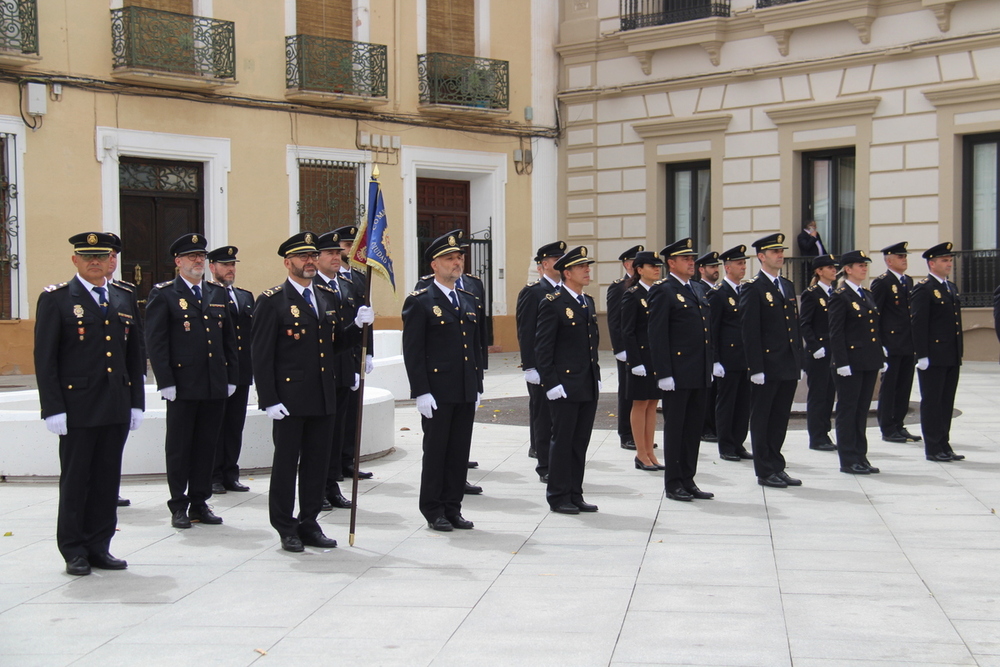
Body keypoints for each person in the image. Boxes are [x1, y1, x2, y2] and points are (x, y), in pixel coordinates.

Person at [252, 232, 372, 552]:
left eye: (311, 256)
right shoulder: (272, 300)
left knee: (317, 464)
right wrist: (269, 399)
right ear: (287, 262)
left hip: (323, 394)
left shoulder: (325, 295)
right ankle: (285, 526)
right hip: (290, 399)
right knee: (286, 465)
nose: (308, 261)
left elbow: (332, 346)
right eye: (301, 257)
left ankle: (309, 521)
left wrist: (357, 328)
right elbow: (261, 355)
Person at [34, 232, 145, 576]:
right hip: (78, 407)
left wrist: (136, 402)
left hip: (114, 405)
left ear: (111, 259)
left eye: (101, 256)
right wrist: (53, 407)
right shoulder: (56, 299)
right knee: (76, 480)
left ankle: (99, 545)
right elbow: (45, 358)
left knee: (106, 480)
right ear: (75, 261)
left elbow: (133, 353)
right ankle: (73, 550)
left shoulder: (124, 296)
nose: (94, 262)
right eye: (87, 257)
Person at [145, 234, 238, 529]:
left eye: (201, 256)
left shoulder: (217, 292)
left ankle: (200, 501)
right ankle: (178, 504)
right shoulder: (164, 294)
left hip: (214, 383)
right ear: (178, 262)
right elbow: (156, 342)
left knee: (206, 445)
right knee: (180, 446)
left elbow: (229, 340)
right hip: (183, 385)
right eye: (191, 256)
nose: (198, 260)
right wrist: (165, 381)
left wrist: (231, 376)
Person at [402, 231, 484, 531]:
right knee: (436, 452)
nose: (456, 263)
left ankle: (453, 507)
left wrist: (477, 385)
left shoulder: (468, 298)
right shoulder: (421, 301)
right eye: (450, 259)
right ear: (434, 265)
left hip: (463, 388)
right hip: (437, 391)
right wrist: (421, 391)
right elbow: (413, 351)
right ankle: (433, 509)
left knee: (459, 451)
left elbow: (473, 347)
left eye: (459, 258)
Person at [535, 246, 601, 514]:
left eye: (587, 266)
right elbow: (543, 347)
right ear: (567, 272)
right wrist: (550, 384)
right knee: (562, 441)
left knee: (580, 442)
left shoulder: (587, 302)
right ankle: (559, 495)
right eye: (581, 266)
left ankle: (575, 492)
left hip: (585, 383)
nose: (587, 270)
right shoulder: (553, 302)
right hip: (563, 386)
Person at [648, 239, 714, 502]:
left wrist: (710, 365)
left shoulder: (697, 289)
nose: (691, 262)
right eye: (685, 259)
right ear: (671, 263)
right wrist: (663, 373)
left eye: (692, 258)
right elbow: (657, 334)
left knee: (693, 429)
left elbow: (706, 333)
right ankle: (674, 482)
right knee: (676, 429)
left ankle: (689, 478)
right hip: (677, 373)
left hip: (698, 371)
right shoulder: (663, 291)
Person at [741, 233, 804, 489]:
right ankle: (765, 470)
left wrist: (798, 360)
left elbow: (794, 327)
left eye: (781, 250)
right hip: (766, 366)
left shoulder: (786, 286)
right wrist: (755, 367)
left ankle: (777, 465)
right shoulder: (753, 287)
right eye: (774, 251)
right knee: (762, 418)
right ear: (761, 256)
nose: (780, 255)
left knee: (779, 419)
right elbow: (749, 331)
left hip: (787, 364)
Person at [313, 230, 360, 511]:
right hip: (322, 372)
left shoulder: (346, 284)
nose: (335, 257)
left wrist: (357, 364)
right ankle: (316, 489)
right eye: (329, 253)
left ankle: (332, 486)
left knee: (337, 432)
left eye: (336, 252)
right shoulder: (313, 287)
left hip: (344, 369)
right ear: (316, 258)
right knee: (320, 438)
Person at [829, 250, 885, 474]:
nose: (864, 268)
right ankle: (848, 458)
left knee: (862, 411)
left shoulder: (866, 294)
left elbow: (874, 330)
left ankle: (861, 456)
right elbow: (836, 332)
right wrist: (841, 362)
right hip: (849, 363)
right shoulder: (840, 295)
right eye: (859, 265)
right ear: (848, 269)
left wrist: (880, 356)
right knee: (848, 410)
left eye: (865, 265)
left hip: (868, 360)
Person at [515, 240, 566, 482]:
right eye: (556, 260)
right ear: (544, 264)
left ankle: (558, 460)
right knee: (543, 415)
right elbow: (526, 332)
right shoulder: (533, 292)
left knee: (561, 416)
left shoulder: (567, 290)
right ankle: (544, 464)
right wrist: (530, 366)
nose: (561, 263)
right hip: (541, 366)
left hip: (563, 366)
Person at [911, 242, 966, 462]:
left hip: (951, 354)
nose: (949, 264)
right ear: (931, 263)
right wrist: (921, 354)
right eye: (944, 261)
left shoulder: (950, 287)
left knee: (946, 401)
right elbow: (918, 323)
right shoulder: (923, 288)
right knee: (932, 401)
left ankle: (944, 443)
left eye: (950, 260)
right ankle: (933, 447)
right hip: (933, 355)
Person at [207, 245, 253, 494]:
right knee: (216, 425)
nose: (230, 269)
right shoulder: (208, 295)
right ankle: (213, 475)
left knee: (235, 425)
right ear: (212, 268)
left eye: (233, 265)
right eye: (225, 265)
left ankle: (230, 473)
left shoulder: (245, 296)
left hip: (241, 371)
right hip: (217, 372)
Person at [332, 225, 376, 482]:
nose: (347, 252)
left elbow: (367, 318)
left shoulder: (360, 278)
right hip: (337, 352)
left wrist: (368, 352)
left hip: (354, 354)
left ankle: (348, 460)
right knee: (336, 416)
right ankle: (333, 464)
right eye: (345, 247)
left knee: (352, 414)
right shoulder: (325, 280)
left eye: (350, 247)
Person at [871, 242, 921, 444]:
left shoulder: (908, 281)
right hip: (890, 343)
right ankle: (887, 427)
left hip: (907, 343)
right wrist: (880, 344)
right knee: (890, 387)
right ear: (889, 260)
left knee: (904, 386)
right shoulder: (882, 283)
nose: (904, 260)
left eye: (905, 256)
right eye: (900, 257)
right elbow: (876, 315)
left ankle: (899, 424)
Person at [707, 245, 753, 462]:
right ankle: (726, 445)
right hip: (727, 359)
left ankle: (738, 442)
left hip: (745, 358)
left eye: (744, 263)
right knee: (727, 403)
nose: (743, 267)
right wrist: (715, 360)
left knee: (744, 404)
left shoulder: (745, 291)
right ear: (727, 267)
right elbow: (712, 330)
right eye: (739, 263)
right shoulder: (718, 294)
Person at [105, 232, 141, 508]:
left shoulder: (125, 293)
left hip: (120, 385)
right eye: (106, 255)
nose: (110, 260)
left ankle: (110, 488)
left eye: (113, 255)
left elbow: (135, 341)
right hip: (88, 388)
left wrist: (138, 376)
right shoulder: (65, 297)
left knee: (114, 446)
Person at [620, 251, 663, 472]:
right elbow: (627, 331)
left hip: (656, 358)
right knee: (640, 404)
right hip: (640, 360)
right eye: (651, 265)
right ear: (639, 270)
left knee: (653, 404)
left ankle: (651, 451)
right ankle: (640, 453)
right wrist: (635, 362)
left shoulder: (658, 292)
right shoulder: (633, 294)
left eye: (658, 265)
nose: (657, 269)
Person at [799, 254, 838, 452]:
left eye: (834, 267)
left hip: (832, 352)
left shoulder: (834, 293)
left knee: (829, 395)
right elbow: (804, 323)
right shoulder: (811, 294)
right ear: (819, 271)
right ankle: (816, 437)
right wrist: (814, 347)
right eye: (829, 268)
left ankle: (825, 433)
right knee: (818, 395)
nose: (834, 270)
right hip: (818, 353)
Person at [607, 245, 642, 450]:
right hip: (627, 349)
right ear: (627, 264)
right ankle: (626, 433)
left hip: (644, 348)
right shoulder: (618, 287)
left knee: (643, 394)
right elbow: (614, 321)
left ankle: (640, 435)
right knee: (627, 392)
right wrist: (620, 349)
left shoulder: (648, 285)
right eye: (635, 262)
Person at [694, 251, 720, 443]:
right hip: (702, 349)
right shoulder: (698, 288)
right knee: (708, 394)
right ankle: (705, 427)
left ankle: (714, 425)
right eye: (712, 267)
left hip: (715, 348)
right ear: (701, 270)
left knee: (716, 392)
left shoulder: (718, 290)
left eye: (717, 266)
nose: (716, 270)